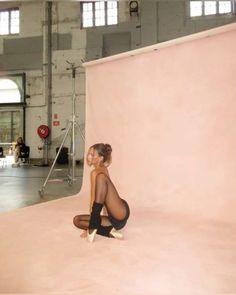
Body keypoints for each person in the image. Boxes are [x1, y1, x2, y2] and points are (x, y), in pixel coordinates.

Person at [73, 143, 130, 242]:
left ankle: (93, 226)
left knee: (101, 177)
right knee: (77, 220)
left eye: (92, 154)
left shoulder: (97, 173)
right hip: (113, 217)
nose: (89, 156)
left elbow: (94, 199)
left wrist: (92, 223)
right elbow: (101, 198)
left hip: (120, 211)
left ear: (100, 158)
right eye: (89, 153)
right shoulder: (99, 170)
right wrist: (105, 216)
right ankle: (107, 231)